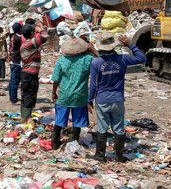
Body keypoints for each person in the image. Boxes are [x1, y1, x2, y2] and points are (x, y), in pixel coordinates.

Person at [89, 33, 147, 162]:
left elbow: (93, 84)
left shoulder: (96, 62)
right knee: (118, 128)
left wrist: (89, 100)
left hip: (102, 100)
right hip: (118, 99)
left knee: (102, 128)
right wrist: (131, 45)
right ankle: (119, 156)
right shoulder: (123, 59)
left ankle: (100, 155)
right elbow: (142, 59)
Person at [51, 38, 94, 150]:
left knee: (59, 121)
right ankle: (74, 143)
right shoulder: (88, 59)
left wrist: (53, 93)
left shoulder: (62, 60)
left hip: (64, 95)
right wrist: (93, 50)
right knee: (77, 122)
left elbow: (56, 79)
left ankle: (55, 144)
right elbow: (101, 63)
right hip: (80, 95)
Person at [19, 24, 49, 123]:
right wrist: (40, 29)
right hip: (29, 74)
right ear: (31, 33)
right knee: (29, 96)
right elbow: (45, 36)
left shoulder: (26, 43)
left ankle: (25, 118)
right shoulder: (30, 43)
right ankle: (25, 119)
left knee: (27, 96)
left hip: (28, 73)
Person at [8, 23, 23, 104]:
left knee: (12, 80)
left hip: (12, 60)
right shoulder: (18, 38)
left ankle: (12, 97)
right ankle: (13, 98)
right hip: (16, 61)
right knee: (15, 81)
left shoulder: (13, 36)